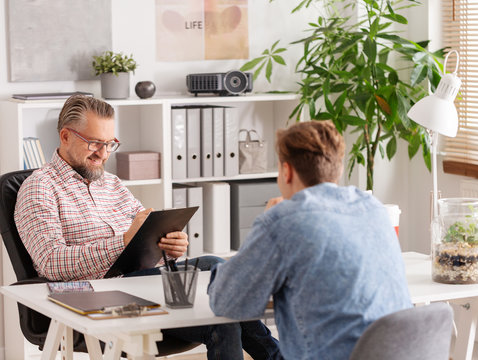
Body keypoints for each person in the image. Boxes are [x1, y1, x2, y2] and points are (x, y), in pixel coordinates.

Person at [14, 94, 280, 360]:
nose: (104, 153)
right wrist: (124, 241)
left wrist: (170, 245)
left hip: (142, 289)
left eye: (110, 144)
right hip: (91, 296)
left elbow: (143, 237)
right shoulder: (40, 187)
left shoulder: (113, 185)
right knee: (214, 267)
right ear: (65, 136)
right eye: (94, 143)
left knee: (223, 314)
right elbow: (51, 262)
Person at [207, 120, 412, 360]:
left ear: (287, 171)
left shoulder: (282, 220)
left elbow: (226, 302)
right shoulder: (373, 208)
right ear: (338, 167)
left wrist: (266, 221)